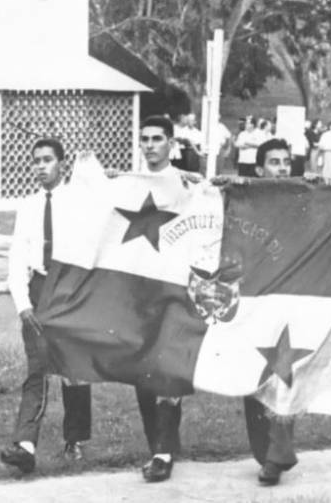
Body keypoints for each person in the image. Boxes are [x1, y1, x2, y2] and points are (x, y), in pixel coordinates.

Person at [0, 138, 93, 474]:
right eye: (36, 160)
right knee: (37, 366)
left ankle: (76, 438)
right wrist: (23, 304)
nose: (40, 166)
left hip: (70, 287)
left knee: (73, 370)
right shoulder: (28, 206)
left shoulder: (80, 201)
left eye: (48, 160)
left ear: (62, 164)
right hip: (39, 287)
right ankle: (25, 443)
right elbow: (18, 257)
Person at [134, 115, 197, 482]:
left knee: (169, 371)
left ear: (170, 143)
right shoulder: (130, 185)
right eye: (144, 139)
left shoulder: (185, 185)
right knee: (142, 370)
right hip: (139, 289)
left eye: (157, 138)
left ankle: (162, 451)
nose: (150, 145)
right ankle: (159, 444)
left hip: (174, 288)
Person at [248, 138, 298, 485]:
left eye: (285, 162)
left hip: (293, 299)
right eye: (274, 162)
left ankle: (277, 456)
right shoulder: (245, 202)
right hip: (252, 300)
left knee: (283, 374)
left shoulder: (304, 200)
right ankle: (264, 452)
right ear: (259, 169)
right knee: (251, 377)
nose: (281, 168)